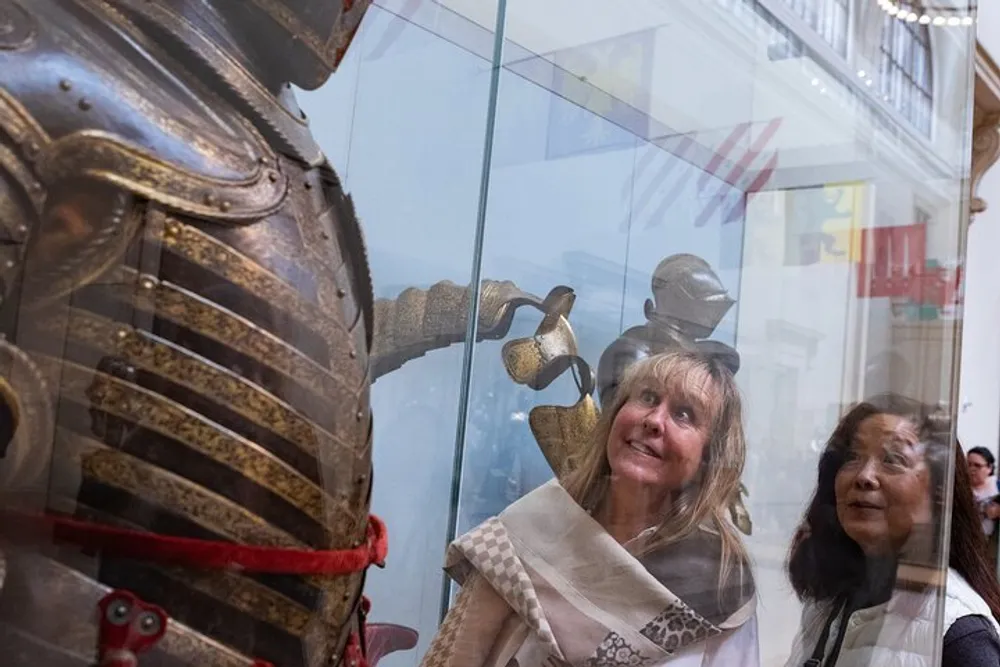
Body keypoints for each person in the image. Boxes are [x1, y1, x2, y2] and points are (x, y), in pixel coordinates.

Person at [420, 350, 758, 667]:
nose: (654, 420)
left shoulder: (719, 582)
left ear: (709, 457)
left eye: (684, 414)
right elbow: (457, 655)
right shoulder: (528, 532)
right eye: (648, 398)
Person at [784, 394, 1000, 667]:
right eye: (852, 457)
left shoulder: (959, 634)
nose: (864, 476)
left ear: (939, 493)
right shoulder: (831, 597)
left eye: (892, 459)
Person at [968, 446, 1000, 538]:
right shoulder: (959, 488)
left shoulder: (997, 487)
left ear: (989, 468)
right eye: (969, 464)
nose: (972, 469)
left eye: (977, 465)